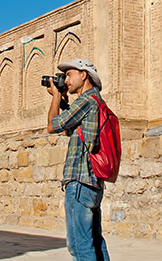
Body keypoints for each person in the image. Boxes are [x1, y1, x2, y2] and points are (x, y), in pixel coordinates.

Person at [46, 58, 110, 261]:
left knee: (79, 246)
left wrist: (56, 96)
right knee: (94, 242)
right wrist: (63, 101)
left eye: (69, 75)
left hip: (80, 181)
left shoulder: (86, 101)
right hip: (92, 182)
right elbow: (71, 130)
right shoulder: (97, 102)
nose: (65, 80)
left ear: (84, 75)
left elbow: (52, 126)